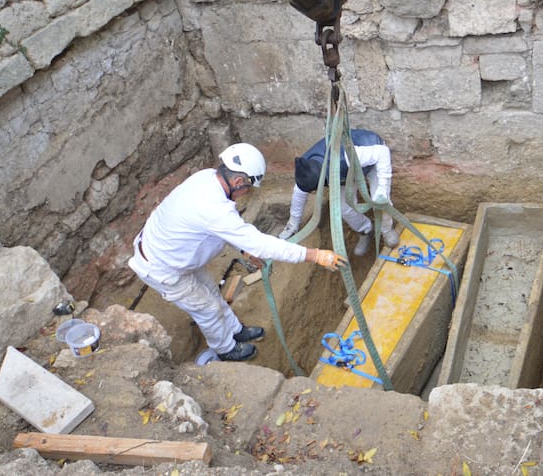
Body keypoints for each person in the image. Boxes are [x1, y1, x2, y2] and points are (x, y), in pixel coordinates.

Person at [127, 143, 347, 362]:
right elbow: (260, 243)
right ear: (239, 181)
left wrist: (243, 249)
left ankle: (234, 329)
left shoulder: (208, 178)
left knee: (212, 291)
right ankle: (225, 349)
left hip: (173, 253)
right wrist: (315, 255)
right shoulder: (212, 207)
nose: (246, 194)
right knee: (208, 309)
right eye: (248, 188)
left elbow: (224, 228)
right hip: (163, 268)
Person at [279, 129, 400, 256]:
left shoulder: (345, 157)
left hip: (372, 161)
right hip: (346, 172)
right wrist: (292, 224)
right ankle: (366, 230)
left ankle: (387, 230)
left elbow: (383, 153)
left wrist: (382, 188)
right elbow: (299, 194)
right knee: (343, 208)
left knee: (379, 200)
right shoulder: (305, 168)